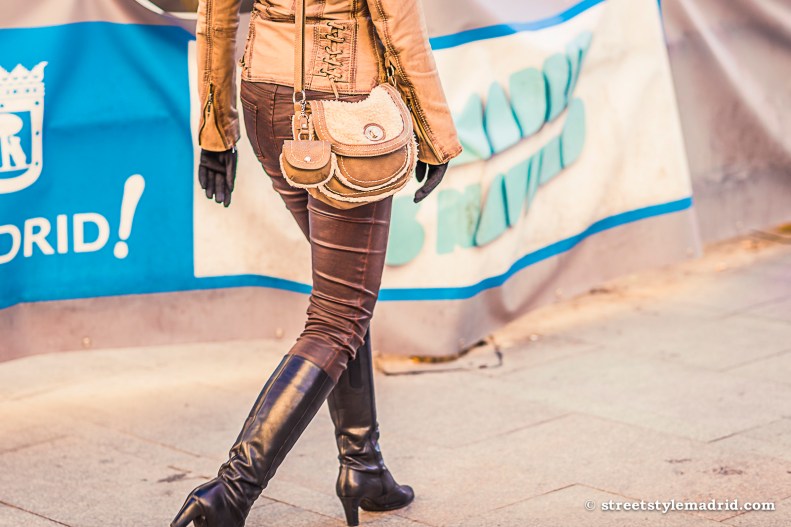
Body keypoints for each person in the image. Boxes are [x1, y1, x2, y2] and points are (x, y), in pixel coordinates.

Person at [171, 0, 461, 526]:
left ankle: (363, 466)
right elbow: (398, 18)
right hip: (345, 108)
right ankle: (230, 493)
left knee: (344, 295)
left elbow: (215, 12)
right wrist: (435, 131)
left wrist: (216, 130)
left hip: (265, 98)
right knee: (339, 314)